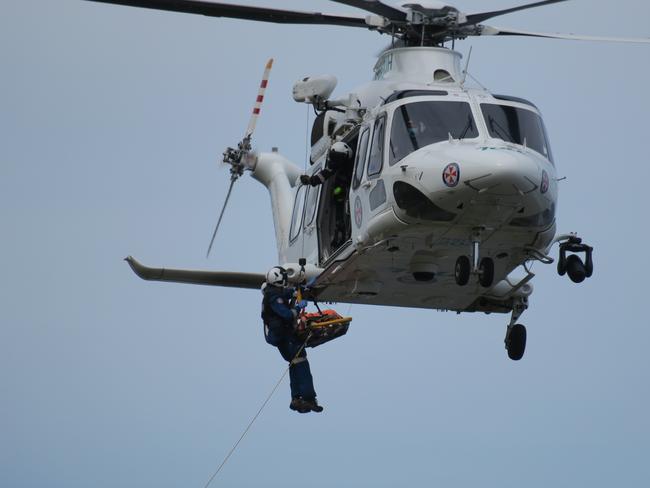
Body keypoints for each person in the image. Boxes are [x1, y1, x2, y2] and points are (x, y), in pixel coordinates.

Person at [261, 266, 323, 414]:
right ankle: (307, 397)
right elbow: (286, 314)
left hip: (281, 335)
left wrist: (298, 290)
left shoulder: (272, 293)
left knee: (295, 363)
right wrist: (297, 308)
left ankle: (297, 399)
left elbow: (284, 293)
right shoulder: (274, 297)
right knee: (300, 362)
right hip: (283, 336)